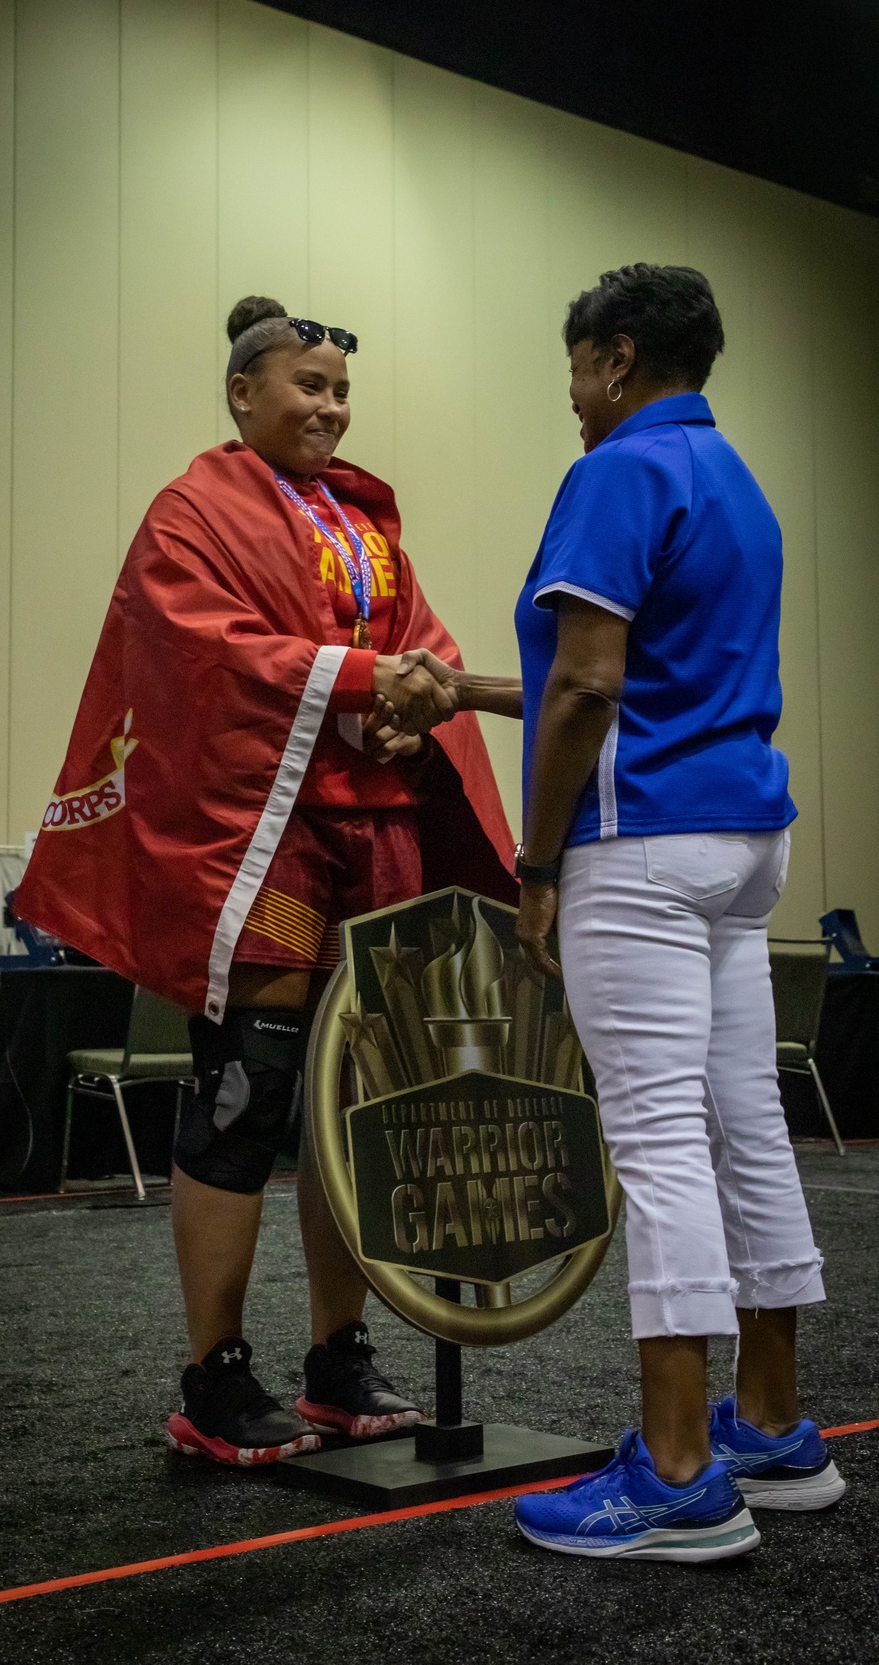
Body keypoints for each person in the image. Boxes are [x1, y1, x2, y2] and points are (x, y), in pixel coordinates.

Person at [15, 296, 516, 1465]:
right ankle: (213, 1374)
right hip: (270, 832)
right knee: (249, 1089)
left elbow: (423, 642)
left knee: (359, 1101)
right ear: (245, 394)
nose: (330, 409)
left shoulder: (364, 515)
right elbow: (201, 643)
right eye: (308, 386)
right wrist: (358, 675)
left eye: (341, 391)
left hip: (374, 832)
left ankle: (338, 1358)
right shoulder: (195, 508)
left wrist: (412, 704)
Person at [401, 264, 844, 1562]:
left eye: (578, 372)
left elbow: (590, 689)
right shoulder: (739, 486)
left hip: (637, 848)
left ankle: (677, 1476)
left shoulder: (614, 472)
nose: (574, 401)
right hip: (740, 845)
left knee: (654, 1147)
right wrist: (466, 691)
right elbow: (615, 679)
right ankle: (770, 1427)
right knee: (744, 1128)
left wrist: (535, 865)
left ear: (615, 358)